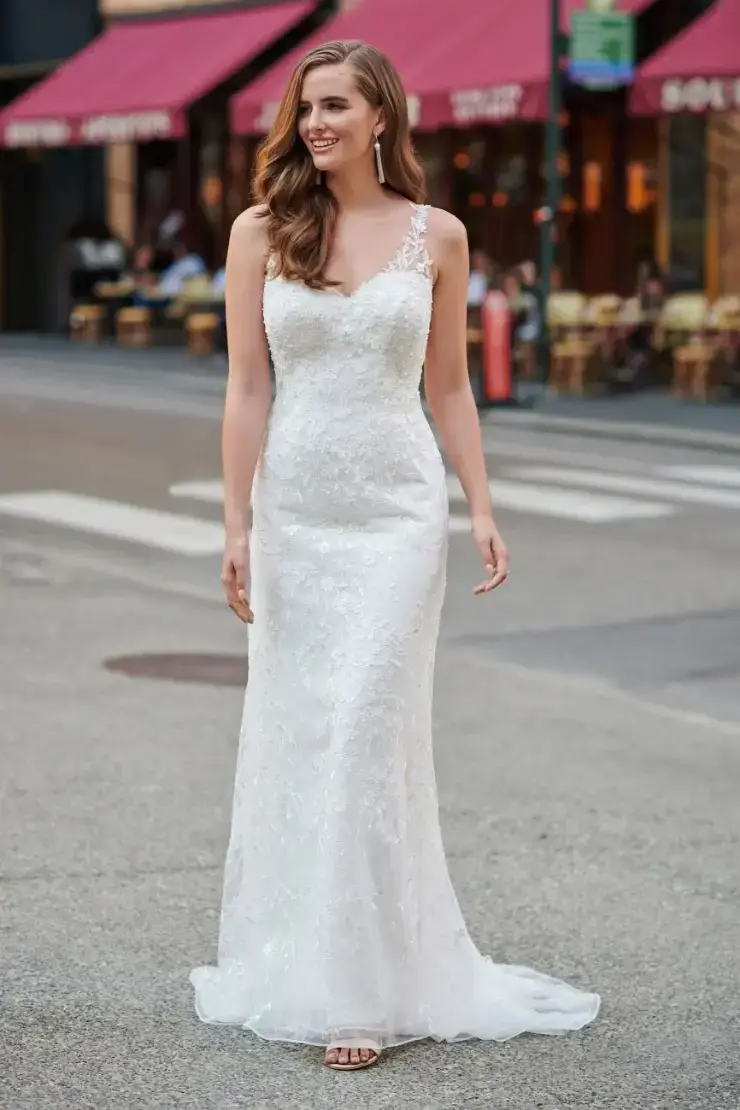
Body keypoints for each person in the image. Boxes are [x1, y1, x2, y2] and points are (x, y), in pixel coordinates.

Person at [190, 38, 600, 1072]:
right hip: (297, 513)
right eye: (305, 105)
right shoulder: (259, 231)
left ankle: (366, 992)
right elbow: (246, 390)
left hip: (395, 513)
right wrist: (235, 523)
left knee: (369, 724)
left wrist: (481, 504)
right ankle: (313, 958)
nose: (316, 121)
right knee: (307, 731)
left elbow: (450, 387)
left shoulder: (438, 237)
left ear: (382, 118)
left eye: (335, 104)